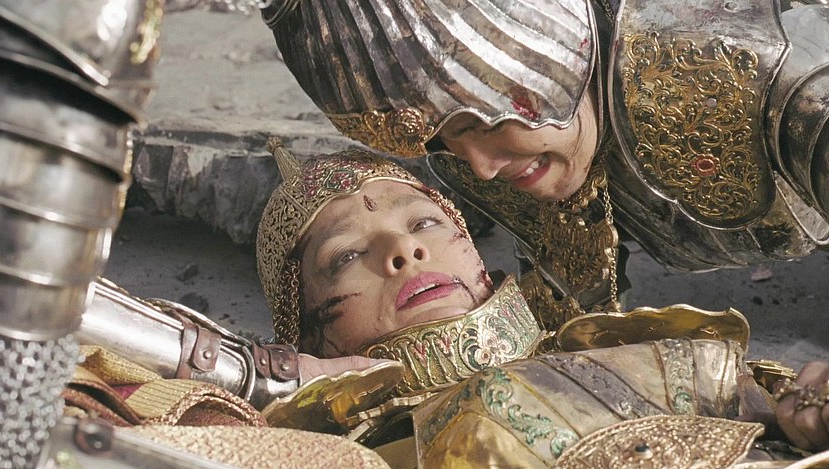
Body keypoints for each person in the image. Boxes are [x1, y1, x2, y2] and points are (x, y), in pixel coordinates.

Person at [262, 0, 829, 332]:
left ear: (544, 55)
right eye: (444, 143)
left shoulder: (754, 75)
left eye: (482, 123)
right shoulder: (497, 159)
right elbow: (571, 309)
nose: (480, 167)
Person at [254, 142, 829, 466]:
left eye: (425, 224)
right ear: (303, 335)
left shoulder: (648, 349)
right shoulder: (335, 457)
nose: (403, 251)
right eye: (347, 256)